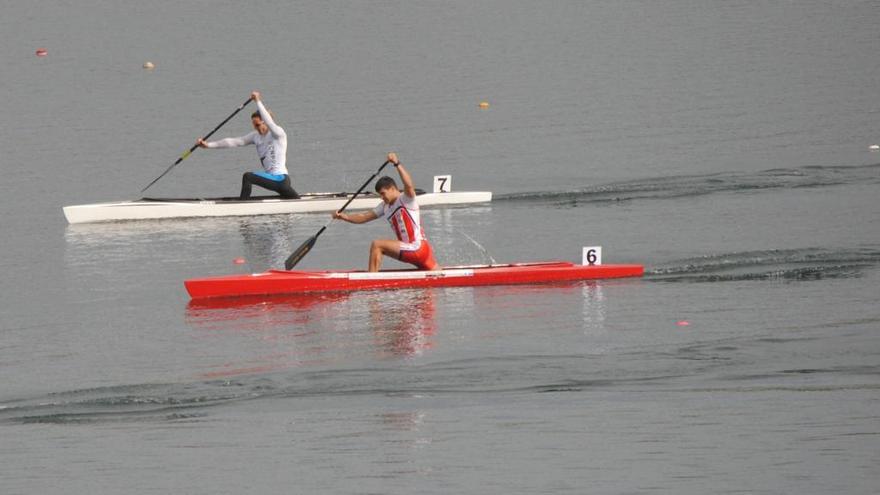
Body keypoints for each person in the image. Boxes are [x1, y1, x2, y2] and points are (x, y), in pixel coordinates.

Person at [333, 152, 439, 272]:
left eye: (383, 193)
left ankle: (371, 282)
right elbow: (364, 217)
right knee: (437, 279)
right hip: (417, 251)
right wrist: (343, 217)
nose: (382, 197)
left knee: (377, 245)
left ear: (393, 189)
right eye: (380, 195)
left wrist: (397, 164)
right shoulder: (384, 206)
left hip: (418, 248)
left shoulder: (406, 199)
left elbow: (409, 185)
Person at [197, 91, 299, 199]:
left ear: (264, 121)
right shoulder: (255, 136)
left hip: (280, 178)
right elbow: (233, 142)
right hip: (275, 180)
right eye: (254, 125)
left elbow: (270, 122)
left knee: (248, 177)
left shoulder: (278, 133)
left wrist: (258, 101)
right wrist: (208, 145)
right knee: (296, 201)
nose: (256, 128)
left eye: (258, 125)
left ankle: (242, 205)